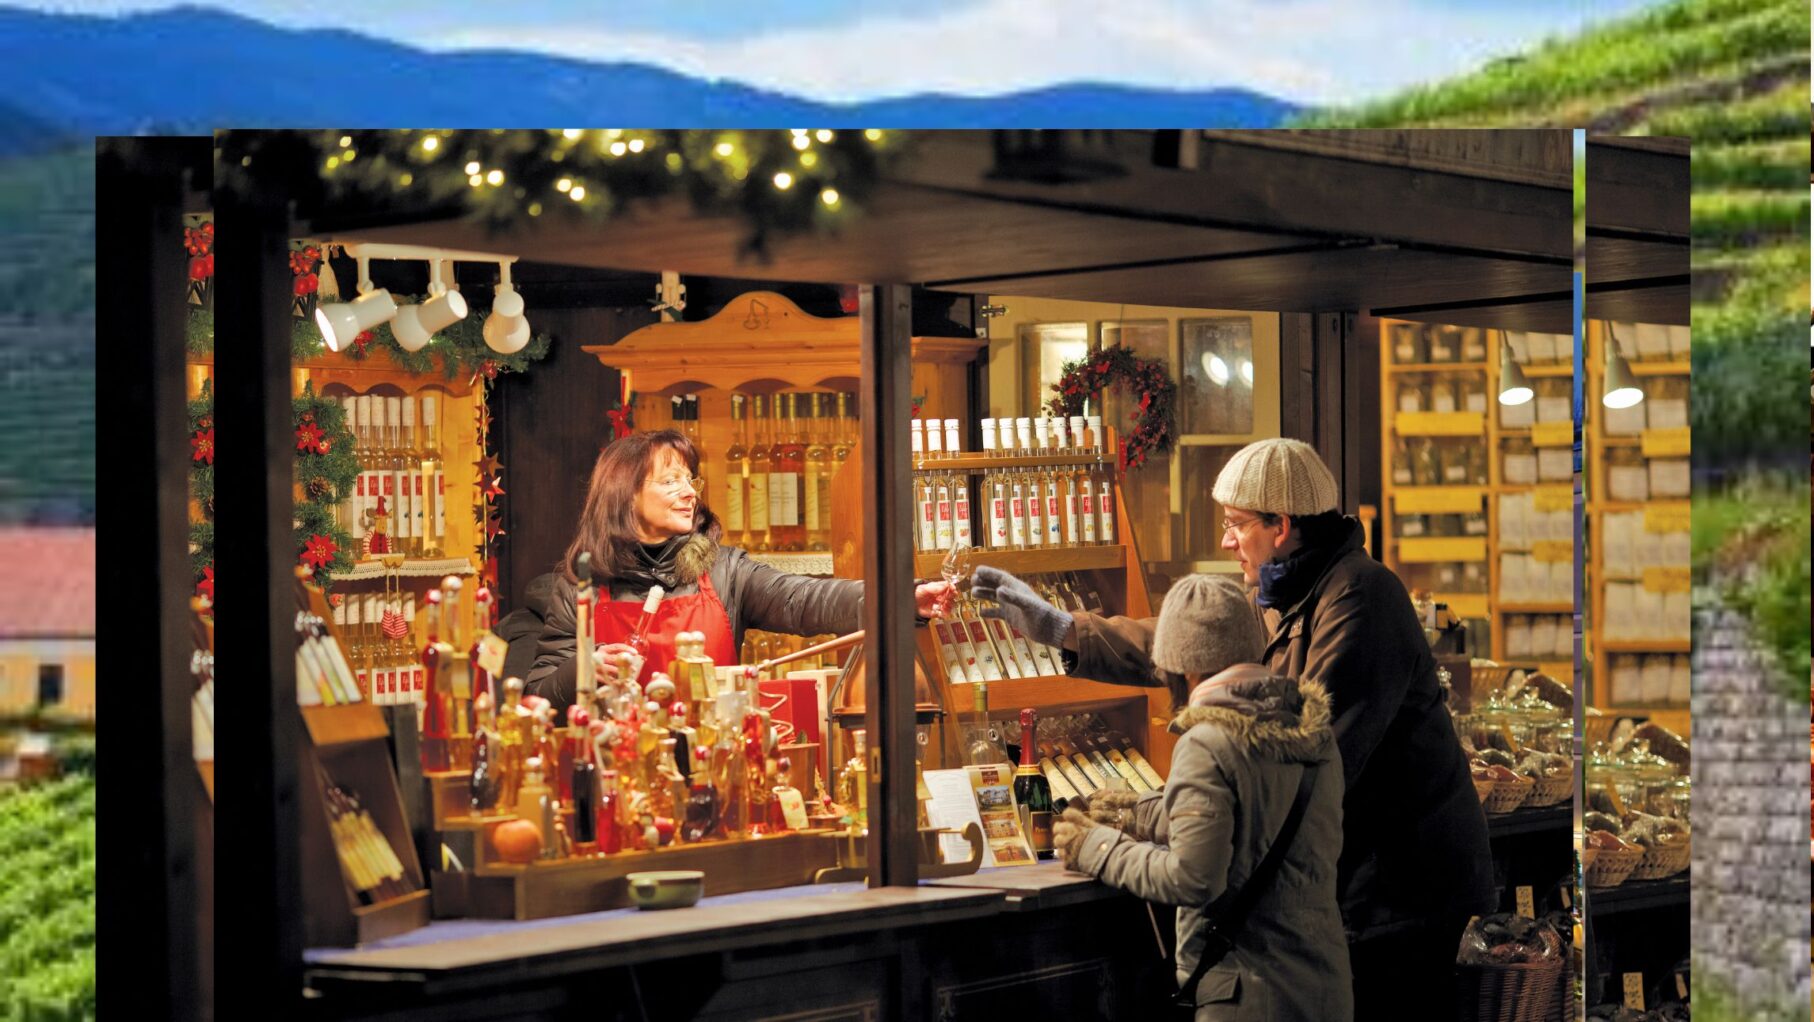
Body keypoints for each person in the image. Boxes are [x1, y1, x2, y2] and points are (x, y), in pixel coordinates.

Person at [974, 437, 1491, 1019]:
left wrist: (1137, 822)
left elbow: (1290, 765)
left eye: (1235, 524)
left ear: (1281, 524)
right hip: (1350, 898)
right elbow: (1190, 644)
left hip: (1400, 894)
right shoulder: (1285, 587)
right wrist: (1067, 628)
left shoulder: (1360, 597)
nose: (1225, 540)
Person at [1054, 573, 1350, 1020]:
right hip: (1324, 987)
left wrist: (1093, 846)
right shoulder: (1309, 730)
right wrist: (1132, 811)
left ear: (1184, 666)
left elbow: (1192, 878)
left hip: (1247, 998)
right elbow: (1249, 821)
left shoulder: (1208, 741)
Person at [526, 429, 952, 713]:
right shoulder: (580, 589)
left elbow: (805, 598)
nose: (689, 492)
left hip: (721, 767)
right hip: (621, 779)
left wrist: (902, 598)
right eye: (671, 481)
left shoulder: (725, 570)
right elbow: (538, 695)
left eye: (691, 479)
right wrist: (583, 668)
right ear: (625, 495)